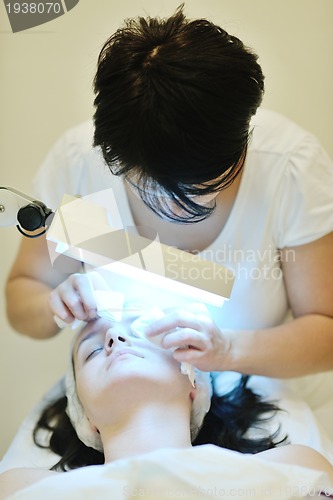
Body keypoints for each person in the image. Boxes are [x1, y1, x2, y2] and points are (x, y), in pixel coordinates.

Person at [5, 6, 333, 380]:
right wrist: (53, 307)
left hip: (256, 406)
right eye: (148, 187)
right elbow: (24, 292)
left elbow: (325, 326)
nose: (171, 208)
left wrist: (229, 351)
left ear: (242, 145)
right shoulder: (81, 165)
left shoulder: (288, 169)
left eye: (199, 190)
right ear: (114, 155)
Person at [0, 318, 333, 498]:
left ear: (195, 383)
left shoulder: (295, 463)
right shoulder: (20, 486)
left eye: (140, 332)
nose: (114, 337)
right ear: (86, 419)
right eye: (90, 352)